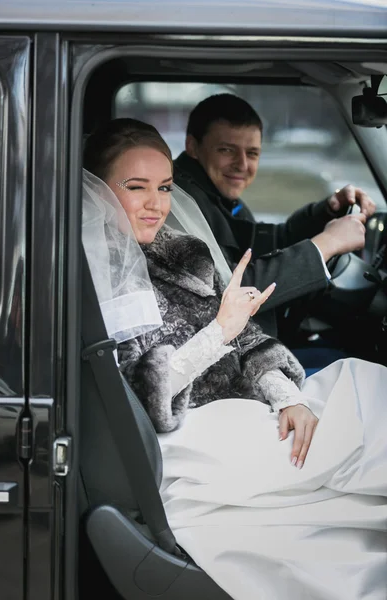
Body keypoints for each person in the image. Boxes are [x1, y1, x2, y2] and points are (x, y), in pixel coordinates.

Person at [83, 118, 387, 600]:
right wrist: (217, 332)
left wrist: (287, 395)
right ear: (97, 191)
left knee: (363, 387)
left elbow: (247, 337)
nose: (156, 203)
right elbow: (141, 398)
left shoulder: (185, 252)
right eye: (134, 187)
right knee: (365, 429)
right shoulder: (95, 282)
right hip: (192, 438)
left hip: (244, 405)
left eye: (163, 187)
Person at [173, 93, 376, 338]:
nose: (242, 164)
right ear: (193, 146)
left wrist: (327, 210)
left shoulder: (210, 192)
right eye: (227, 150)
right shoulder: (181, 202)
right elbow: (231, 289)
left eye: (253, 153)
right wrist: (328, 244)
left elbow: (258, 241)